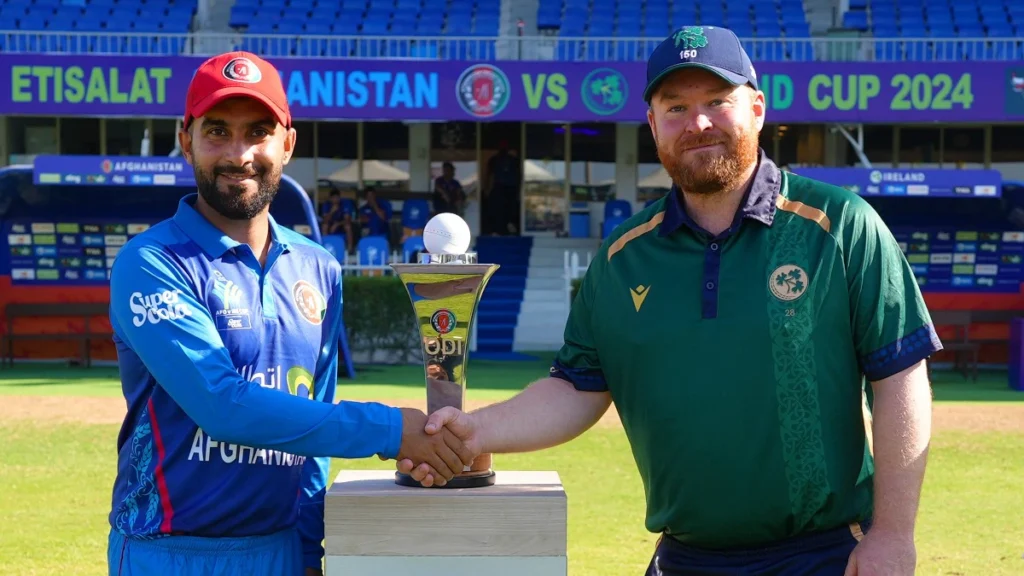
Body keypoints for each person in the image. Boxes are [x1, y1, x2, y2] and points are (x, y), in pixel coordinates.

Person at [401, 27, 939, 576]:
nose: (698, 123)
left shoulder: (841, 224)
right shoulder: (623, 257)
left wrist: (894, 535)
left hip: (824, 555)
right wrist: (472, 432)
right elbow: (577, 388)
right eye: (676, 107)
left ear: (757, 109)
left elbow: (899, 377)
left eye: (717, 102)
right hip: (684, 556)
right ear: (653, 125)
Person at [105, 51, 473, 576]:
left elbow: (313, 426)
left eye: (258, 132)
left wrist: (306, 551)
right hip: (167, 553)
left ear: (288, 144)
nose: (239, 154)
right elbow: (221, 405)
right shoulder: (151, 262)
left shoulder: (318, 267)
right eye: (217, 132)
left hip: (280, 550)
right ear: (186, 141)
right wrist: (391, 429)